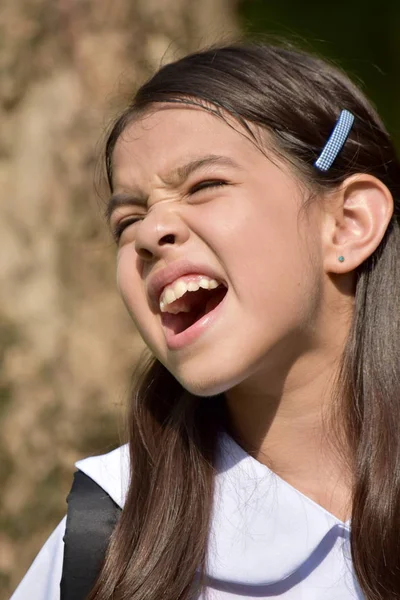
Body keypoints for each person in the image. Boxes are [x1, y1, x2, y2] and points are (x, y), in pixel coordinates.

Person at [10, 40, 400, 600]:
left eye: (204, 186)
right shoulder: (104, 537)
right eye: (128, 219)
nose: (149, 233)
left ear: (348, 224)